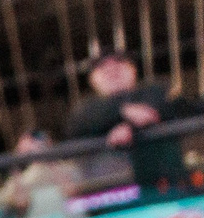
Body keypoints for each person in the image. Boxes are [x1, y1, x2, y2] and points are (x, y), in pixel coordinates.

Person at [64, 49, 194, 196]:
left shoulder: (154, 91)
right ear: (92, 79)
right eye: (102, 68)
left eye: (119, 63)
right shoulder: (87, 110)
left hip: (168, 193)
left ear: (133, 70)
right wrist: (123, 111)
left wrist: (129, 127)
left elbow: (160, 109)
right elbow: (77, 125)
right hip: (112, 200)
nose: (111, 69)